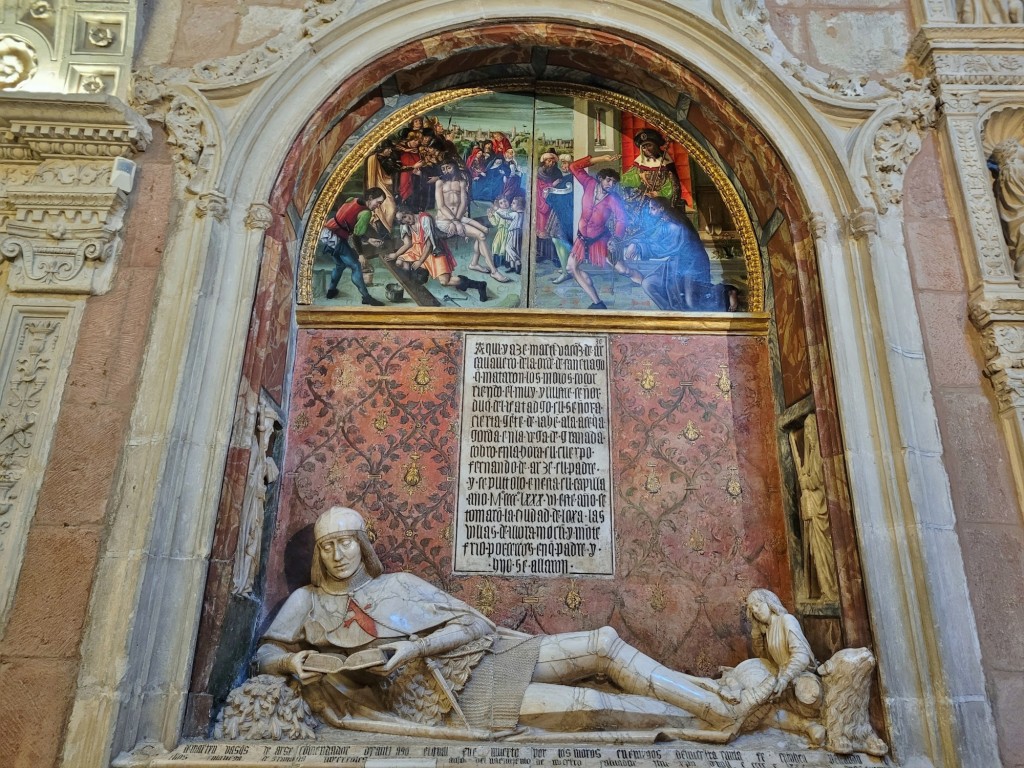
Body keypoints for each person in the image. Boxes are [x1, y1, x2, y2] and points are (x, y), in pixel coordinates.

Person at [256, 508, 751, 739]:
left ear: (362, 545)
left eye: (346, 542)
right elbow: (265, 654)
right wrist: (294, 660)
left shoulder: (400, 584)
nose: (338, 554)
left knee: (602, 642)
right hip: (444, 701)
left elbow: (475, 627)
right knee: (594, 705)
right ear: (319, 554)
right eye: (327, 545)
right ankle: (706, 721)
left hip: (486, 657)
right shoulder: (307, 601)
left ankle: (717, 703)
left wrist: (416, 648)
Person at [625, 196, 714, 311]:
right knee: (648, 284)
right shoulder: (664, 219)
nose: (650, 212)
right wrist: (634, 243)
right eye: (650, 208)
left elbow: (663, 247)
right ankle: (670, 313)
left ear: (661, 208)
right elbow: (652, 236)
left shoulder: (675, 224)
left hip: (693, 265)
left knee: (691, 302)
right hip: (676, 264)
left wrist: (639, 247)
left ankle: (727, 292)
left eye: (653, 209)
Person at [566, 154, 630, 309]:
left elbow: (622, 220)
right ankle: (597, 303)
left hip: (601, 239)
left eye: (614, 182)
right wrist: (602, 159)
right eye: (608, 180)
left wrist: (615, 239)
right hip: (582, 239)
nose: (611, 184)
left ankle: (644, 281)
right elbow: (573, 166)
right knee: (571, 267)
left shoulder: (613, 199)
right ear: (600, 178)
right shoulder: (589, 183)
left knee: (622, 269)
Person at [387, 206, 489, 302]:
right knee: (400, 262)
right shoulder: (405, 226)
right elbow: (408, 244)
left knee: (445, 282)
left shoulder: (425, 219)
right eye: (401, 220)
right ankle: (417, 281)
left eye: (405, 217)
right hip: (417, 251)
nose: (405, 221)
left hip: (433, 252)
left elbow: (429, 245)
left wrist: (420, 262)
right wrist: (395, 255)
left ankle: (478, 285)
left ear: (408, 211)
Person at [434, 159, 510, 283]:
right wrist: (455, 221)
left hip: (459, 218)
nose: (446, 171)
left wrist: (458, 220)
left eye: (448, 167)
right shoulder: (439, 183)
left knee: (484, 230)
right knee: (480, 235)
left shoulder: (462, 182)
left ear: (454, 166)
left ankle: (474, 264)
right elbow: (441, 206)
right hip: (445, 221)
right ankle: (494, 271)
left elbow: (463, 202)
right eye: (443, 169)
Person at [320, 189, 386, 305]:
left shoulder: (352, 199)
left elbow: (349, 224)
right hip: (337, 238)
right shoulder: (366, 213)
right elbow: (356, 236)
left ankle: (331, 291)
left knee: (340, 265)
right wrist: (361, 254)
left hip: (328, 232)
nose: (378, 206)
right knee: (356, 266)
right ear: (370, 198)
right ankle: (366, 297)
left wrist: (368, 239)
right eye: (378, 202)